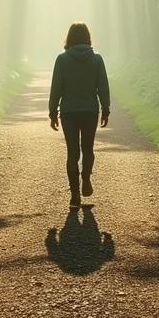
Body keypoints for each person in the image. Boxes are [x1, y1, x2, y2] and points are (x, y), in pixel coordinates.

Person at [48, 22, 110, 209]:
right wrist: (105, 109)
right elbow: (103, 87)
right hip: (90, 111)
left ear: (70, 37)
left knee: (72, 152)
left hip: (68, 112)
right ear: (87, 37)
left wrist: (53, 112)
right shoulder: (97, 59)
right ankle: (86, 179)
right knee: (88, 149)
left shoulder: (62, 59)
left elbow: (56, 88)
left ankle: (74, 193)